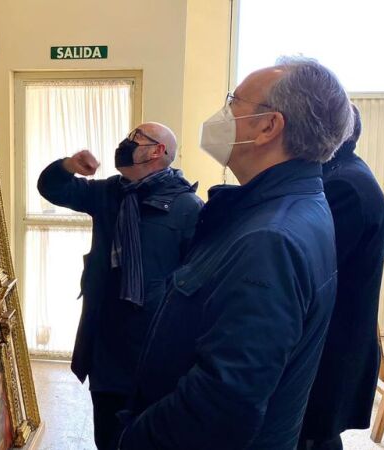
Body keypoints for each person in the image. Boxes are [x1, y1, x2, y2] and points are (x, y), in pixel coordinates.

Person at [118, 57, 353, 449]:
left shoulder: (270, 239)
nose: (223, 114)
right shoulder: (291, 205)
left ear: (268, 127)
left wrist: (132, 439)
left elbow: (220, 403)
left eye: (234, 102)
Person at [37, 122, 203, 449]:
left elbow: (197, 282)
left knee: (149, 437)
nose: (126, 142)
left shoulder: (187, 207)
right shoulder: (108, 193)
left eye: (136, 138)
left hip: (154, 346)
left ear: (157, 151)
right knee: (108, 435)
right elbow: (52, 188)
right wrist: (69, 165)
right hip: (107, 342)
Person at [298, 106, 384, 450]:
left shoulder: (343, 185)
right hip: (332, 339)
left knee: (312, 434)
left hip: (332, 344)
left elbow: (313, 270)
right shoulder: (342, 173)